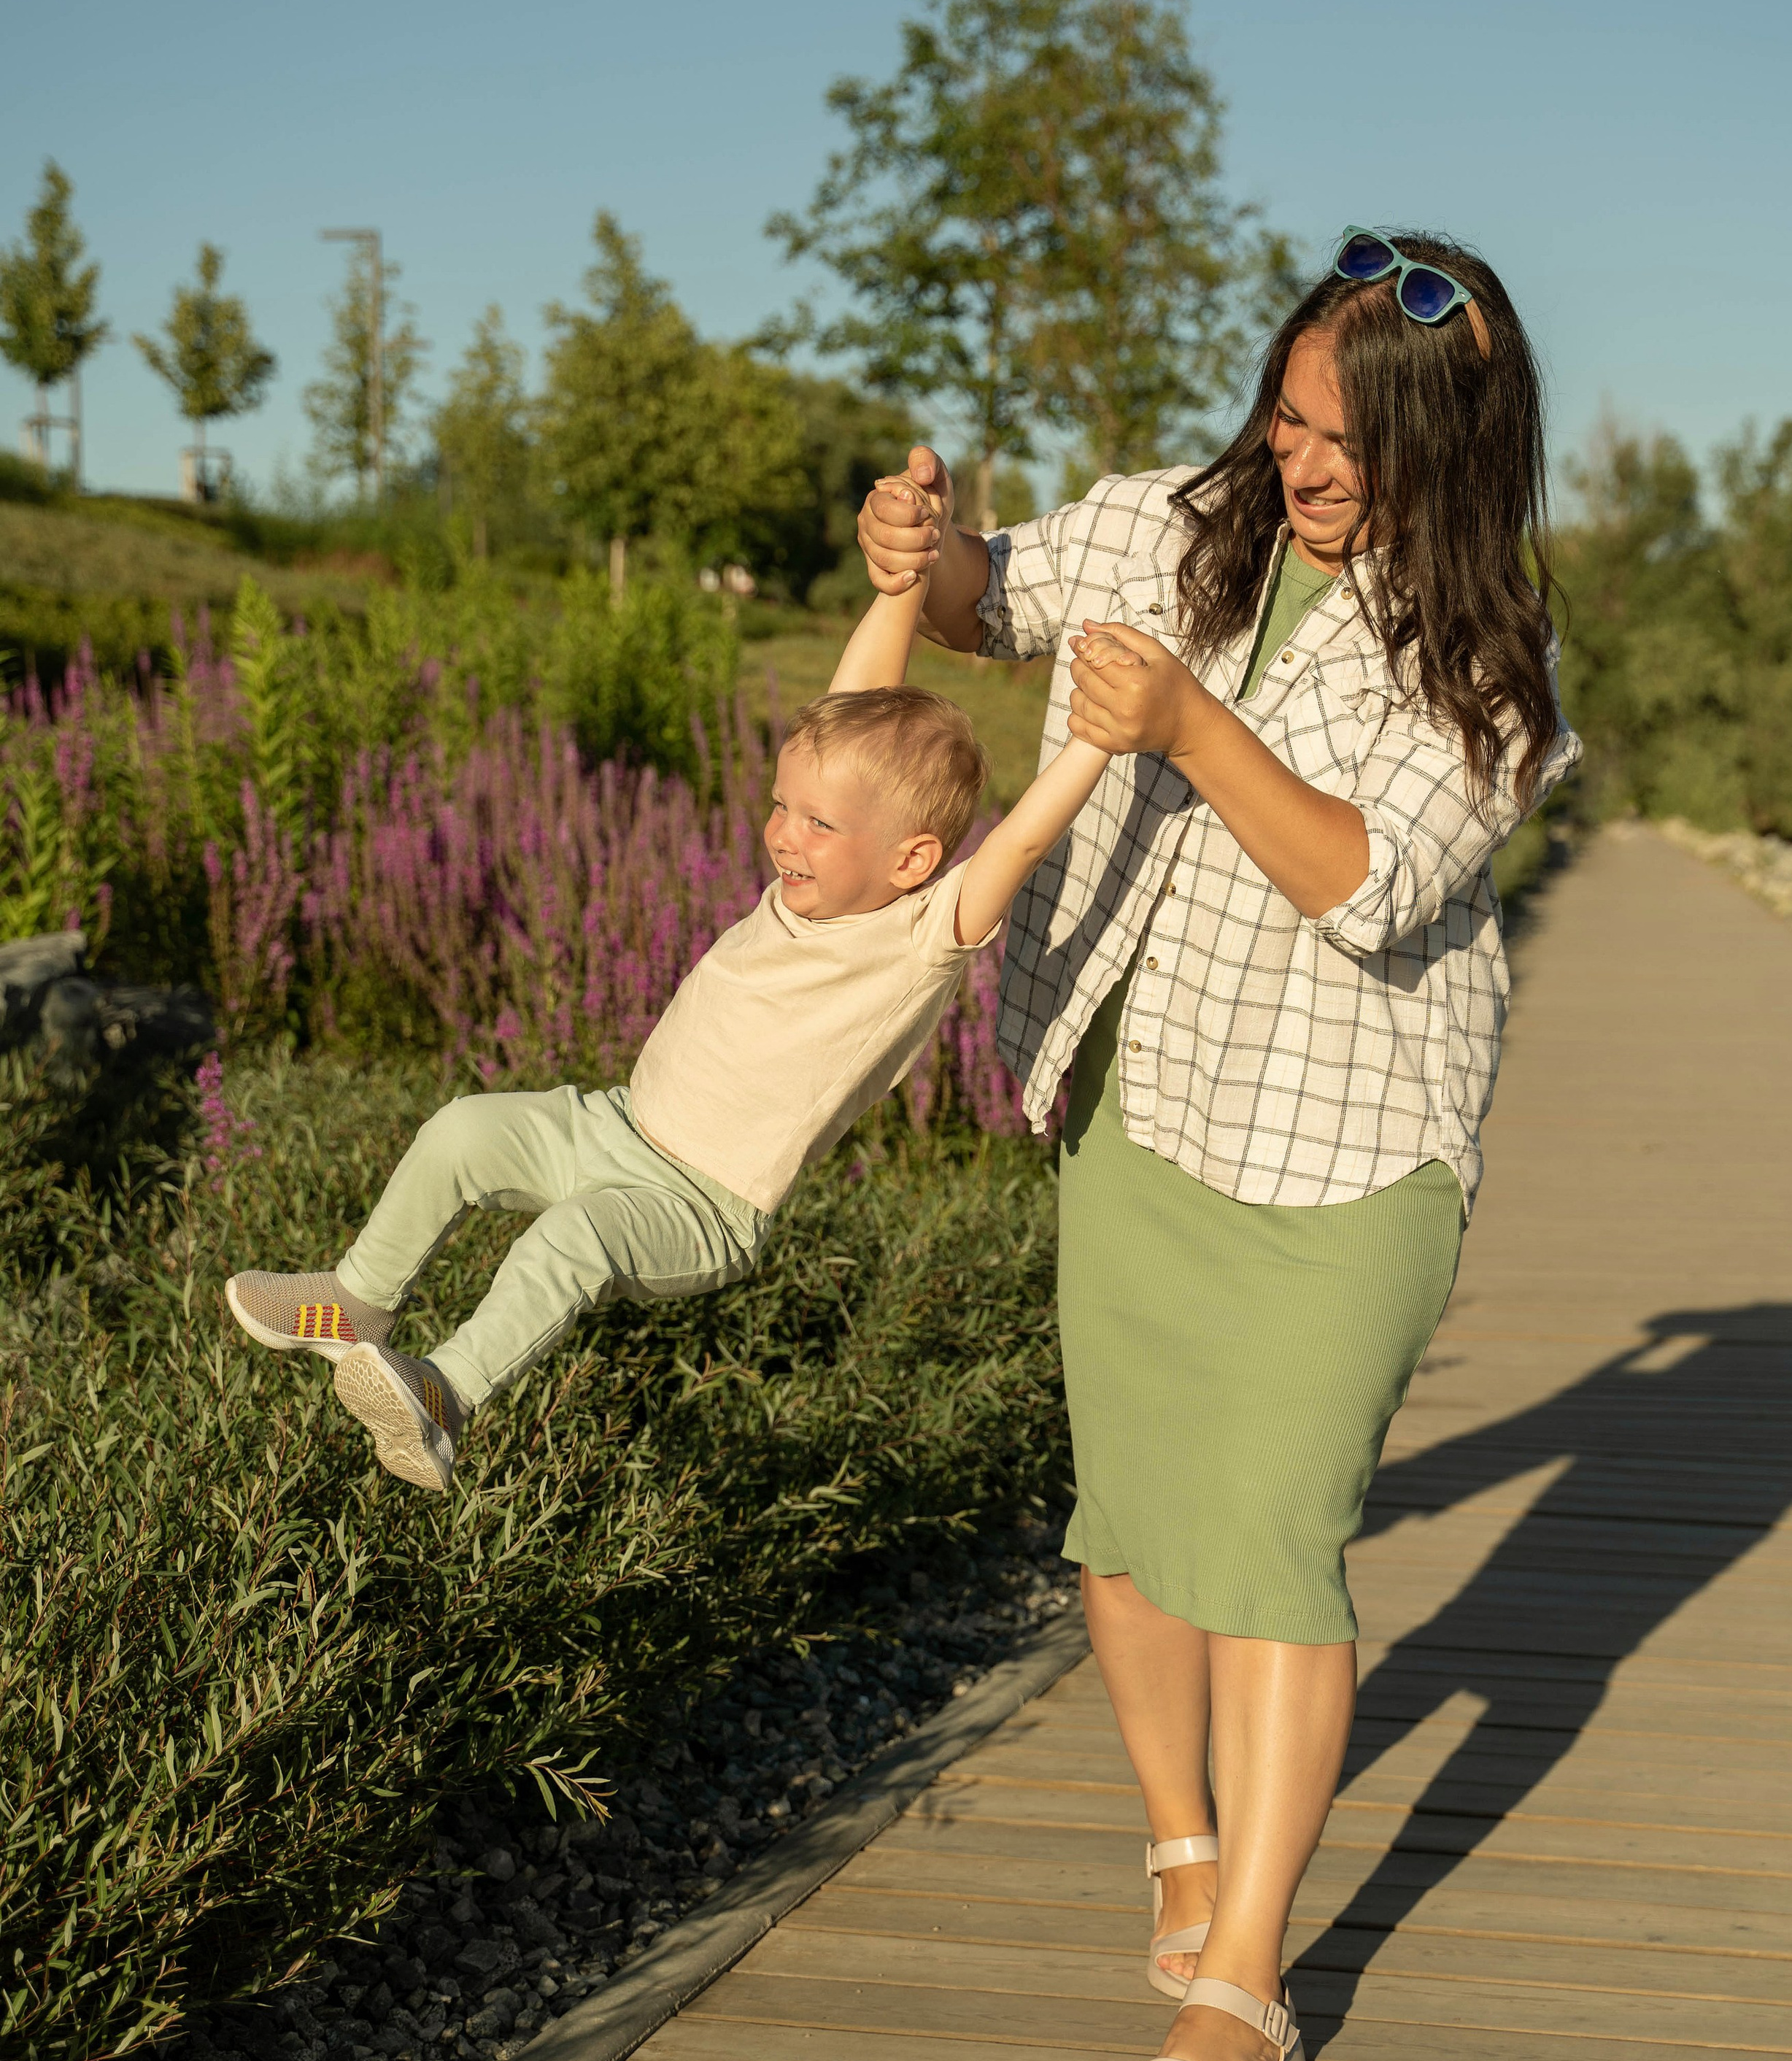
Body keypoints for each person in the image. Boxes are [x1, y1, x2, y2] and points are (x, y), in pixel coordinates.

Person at [856, 228, 1580, 2061]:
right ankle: (1181, 1842)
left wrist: (1190, 727)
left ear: (1449, 448)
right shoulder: (1182, 525)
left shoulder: (1487, 654)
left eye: (1345, 441)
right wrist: (922, 557)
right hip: (1137, 1101)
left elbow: (1368, 884)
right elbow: (996, 599)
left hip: (1347, 1143)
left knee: (1267, 1540)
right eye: (1287, 420)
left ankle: (1245, 1982)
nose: (1300, 464)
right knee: (1130, 1523)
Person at [224, 476, 1125, 1494]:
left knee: (573, 1239)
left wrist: (1094, 737)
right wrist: (903, 584)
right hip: (611, 1125)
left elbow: (1021, 843)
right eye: (782, 806)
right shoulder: (808, 887)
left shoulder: (921, 935)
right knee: (460, 1130)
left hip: (702, 1202)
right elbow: (848, 710)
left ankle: (443, 1396)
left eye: (818, 823)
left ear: (913, 860)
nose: (783, 834)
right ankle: (357, 1301)